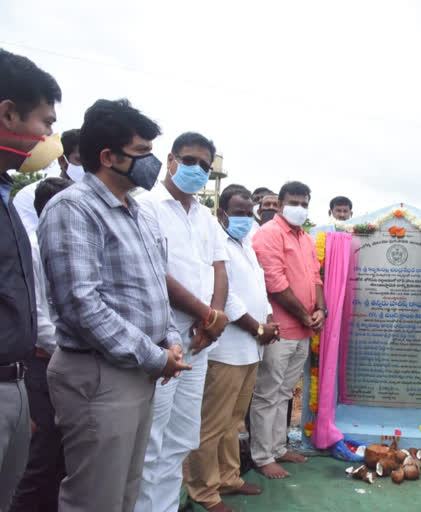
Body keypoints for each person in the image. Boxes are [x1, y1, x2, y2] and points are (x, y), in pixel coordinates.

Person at [39, 98, 190, 512]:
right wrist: (154, 355)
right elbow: (81, 305)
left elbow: (156, 288)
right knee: (95, 497)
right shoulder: (74, 209)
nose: (152, 163)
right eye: (141, 153)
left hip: (137, 371)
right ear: (108, 156)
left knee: (126, 490)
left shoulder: (137, 213)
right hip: (100, 374)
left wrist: (170, 341)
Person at [135, 132, 230, 512]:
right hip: (163, 338)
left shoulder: (206, 217)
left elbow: (219, 269)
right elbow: (156, 271)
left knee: (181, 437)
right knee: (150, 440)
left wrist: (214, 318)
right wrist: (206, 315)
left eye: (205, 166)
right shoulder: (146, 206)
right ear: (171, 160)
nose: (198, 170)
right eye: (190, 161)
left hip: (201, 341)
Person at [183, 185, 280, 512]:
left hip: (251, 350)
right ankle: (203, 489)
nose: (245, 218)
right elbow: (226, 295)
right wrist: (258, 326)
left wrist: (267, 314)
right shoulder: (216, 243)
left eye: (247, 212)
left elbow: (259, 285)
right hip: (227, 349)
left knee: (233, 420)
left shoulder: (247, 244)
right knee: (212, 424)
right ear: (222, 213)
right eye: (237, 212)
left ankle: (228, 477)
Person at [0, 48, 60, 511]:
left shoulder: (6, 195)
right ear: (8, 113)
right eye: (45, 122)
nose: (48, 136)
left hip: (16, 381)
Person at [250, 181, 325, 479]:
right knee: (267, 393)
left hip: (304, 329)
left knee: (284, 394)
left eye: (304, 203)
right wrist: (305, 315)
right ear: (281, 205)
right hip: (280, 329)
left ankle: (279, 447)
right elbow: (275, 282)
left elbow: (316, 277)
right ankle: (262, 455)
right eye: (294, 202)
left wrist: (321, 310)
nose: (300, 208)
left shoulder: (306, 238)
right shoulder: (269, 234)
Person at [9, 177, 72, 512]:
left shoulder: (68, 247)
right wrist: (71, 350)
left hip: (65, 360)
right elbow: (37, 317)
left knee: (65, 456)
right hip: (42, 363)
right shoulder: (32, 249)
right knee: (39, 459)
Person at [13, 128, 83, 234]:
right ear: (62, 161)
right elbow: (28, 243)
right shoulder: (30, 195)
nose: (88, 168)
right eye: (80, 160)